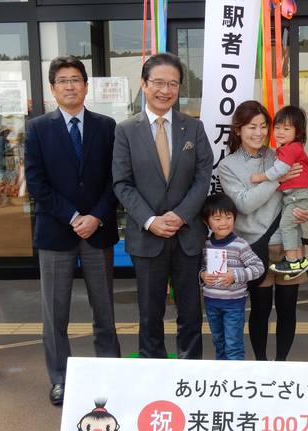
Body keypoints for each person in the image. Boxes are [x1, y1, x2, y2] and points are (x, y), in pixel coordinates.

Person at [25, 55, 121, 405]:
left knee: (104, 310)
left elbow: (116, 178)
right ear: (53, 89)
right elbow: (36, 183)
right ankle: (60, 378)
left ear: (86, 85)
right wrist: (73, 216)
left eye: (75, 79)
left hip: (98, 230)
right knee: (55, 313)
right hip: (56, 232)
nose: (69, 85)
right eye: (62, 80)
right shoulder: (37, 128)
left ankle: (110, 371)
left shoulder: (107, 126)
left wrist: (95, 215)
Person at [112, 52, 213, 359]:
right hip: (147, 237)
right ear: (144, 84)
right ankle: (152, 375)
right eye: (158, 82)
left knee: (191, 314)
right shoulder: (126, 130)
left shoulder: (192, 128)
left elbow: (203, 176)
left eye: (173, 83)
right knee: (150, 315)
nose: (165, 90)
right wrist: (151, 220)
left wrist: (181, 216)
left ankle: (189, 373)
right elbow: (122, 183)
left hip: (187, 235)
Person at [218, 100, 308, 361]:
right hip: (254, 247)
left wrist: (307, 210)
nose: (258, 133)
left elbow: (301, 190)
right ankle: (260, 363)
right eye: (251, 127)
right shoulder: (228, 166)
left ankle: (281, 364)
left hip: (288, 244)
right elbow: (245, 204)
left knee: (288, 307)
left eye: (263, 126)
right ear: (238, 130)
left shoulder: (281, 155)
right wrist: (277, 179)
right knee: (259, 309)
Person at [250, 105, 308, 277]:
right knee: (294, 227)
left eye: (286, 128)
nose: (280, 132)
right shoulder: (291, 147)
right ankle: (300, 259)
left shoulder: (290, 148)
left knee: (286, 225)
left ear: (298, 131)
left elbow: (280, 170)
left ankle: (292, 262)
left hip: (299, 196)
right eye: (277, 127)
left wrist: (261, 177)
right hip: (300, 195)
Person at [200, 193, 264, 360]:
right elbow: (200, 268)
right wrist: (202, 275)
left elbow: (258, 268)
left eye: (228, 217)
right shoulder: (205, 244)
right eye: (217, 218)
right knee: (218, 341)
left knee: (233, 345)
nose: (224, 223)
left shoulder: (240, 245)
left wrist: (235, 275)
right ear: (207, 222)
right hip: (211, 301)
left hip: (234, 303)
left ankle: (235, 378)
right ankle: (222, 379)